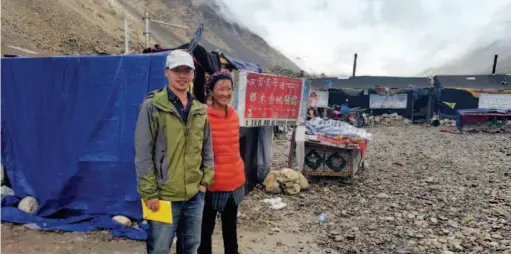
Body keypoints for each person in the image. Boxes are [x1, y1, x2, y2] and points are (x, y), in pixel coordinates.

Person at [134, 49, 214, 254]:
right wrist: (149, 192)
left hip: (195, 195)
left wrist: (205, 182)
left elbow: (207, 148)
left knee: (191, 248)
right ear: (166, 72)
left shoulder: (199, 109)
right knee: (159, 248)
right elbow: (143, 153)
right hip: (163, 196)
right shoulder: (152, 106)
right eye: (176, 70)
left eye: (186, 71)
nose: (182, 76)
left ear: (193, 75)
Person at [198, 70, 246, 254]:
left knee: (230, 230)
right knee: (204, 231)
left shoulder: (234, 115)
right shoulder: (202, 116)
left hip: (234, 182)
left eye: (229, 89)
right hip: (211, 184)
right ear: (210, 91)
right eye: (221, 88)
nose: (226, 93)